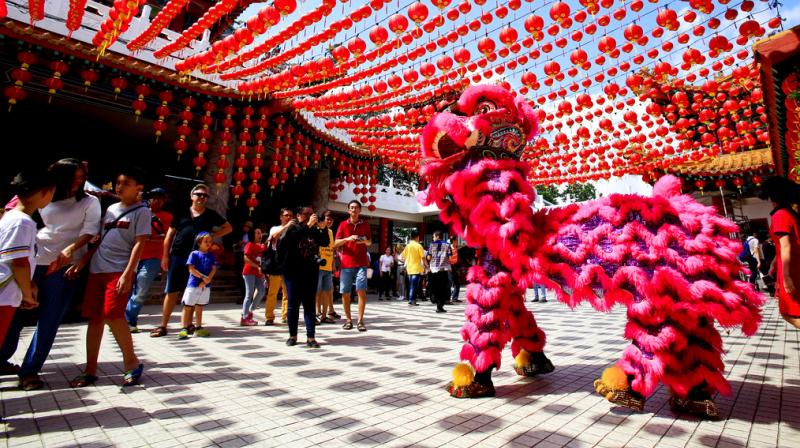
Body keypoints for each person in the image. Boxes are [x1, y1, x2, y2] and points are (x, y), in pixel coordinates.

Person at [0, 159, 99, 390]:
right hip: (31, 261)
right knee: (15, 313)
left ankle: (30, 369)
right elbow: (13, 213)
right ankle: (3, 356)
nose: (78, 183)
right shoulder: (39, 196)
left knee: (49, 318)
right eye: (73, 178)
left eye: (81, 178)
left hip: (62, 265)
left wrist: (71, 250)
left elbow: (90, 231)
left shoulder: (88, 201)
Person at [69, 167, 151, 388]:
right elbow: (101, 239)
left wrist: (128, 273)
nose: (120, 186)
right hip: (97, 269)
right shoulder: (112, 209)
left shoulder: (142, 211)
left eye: (126, 182)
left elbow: (139, 243)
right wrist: (84, 260)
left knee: (113, 315)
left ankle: (131, 363)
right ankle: (90, 369)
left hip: (119, 271)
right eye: (119, 182)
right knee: (94, 318)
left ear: (138, 188)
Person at [150, 184, 231, 337]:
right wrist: (165, 255)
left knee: (192, 291)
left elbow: (228, 227)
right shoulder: (181, 213)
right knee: (171, 290)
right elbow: (169, 236)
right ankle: (163, 325)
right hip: (178, 255)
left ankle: (187, 324)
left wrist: (213, 236)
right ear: (191, 196)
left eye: (205, 196)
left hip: (197, 259)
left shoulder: (211, 214)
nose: (202, 198)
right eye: (199, 194)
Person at [0, 167, 53, 353]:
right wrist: (27, 293)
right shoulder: (22, 222)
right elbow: (19, 262)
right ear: (45, 192)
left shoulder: (12, 217)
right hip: (4, 294)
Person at [278, 206, 329, 347]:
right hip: (292, 272)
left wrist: (323, 227)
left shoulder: (313, 229)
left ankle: (311, 337)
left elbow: (325, 242)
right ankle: (292, 335)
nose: (309, 216)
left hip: (310, 271)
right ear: (299, 215)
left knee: (309, 304)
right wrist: (308, 225)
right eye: (306, 214)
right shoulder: (293, 227)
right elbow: (291, 240)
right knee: (293, 305)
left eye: (311, 214)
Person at [125, 188, 172, 332]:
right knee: (126, 287)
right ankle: (122, 319)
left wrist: (151, 238)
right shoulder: (139, 212)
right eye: (154, 197)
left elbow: (168, 237)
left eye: (160, 198)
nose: (156, 201)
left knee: (141, 289)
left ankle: (128, 320)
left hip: (153, 257)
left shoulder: (168, 217)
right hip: (132, 254)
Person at [760, 177, 800, 329]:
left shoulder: (780, 215)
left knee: (789, 311)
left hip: (791, 268)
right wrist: (774, 262)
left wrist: (787, 276)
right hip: (792, 264)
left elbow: (786, 246)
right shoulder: (789, 213)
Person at [335, 200, 372, 331]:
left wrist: (363, 240)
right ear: (348, 211)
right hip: (346, 264)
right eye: (351, 208)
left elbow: (369, 242)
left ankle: (360, 321)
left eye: (356, 208)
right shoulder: (342, 225)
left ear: (360, 210)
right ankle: (348, 320)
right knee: (345, 292)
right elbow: (335, 243)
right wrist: (347, 239)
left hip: (361, 263)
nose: (354, 210)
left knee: (361, 291)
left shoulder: (365, 225)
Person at [178, 232, 217, 339]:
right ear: (199, 242)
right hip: (193, 285)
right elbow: (191, 269)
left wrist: (207, 280)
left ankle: (198, 327)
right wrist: (203, 277)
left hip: (205, 286)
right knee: (188, 306)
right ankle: (184, 328)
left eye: (210, 241)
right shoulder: (194, 254)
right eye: (206, 241)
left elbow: (214, 269)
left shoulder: (211, 255)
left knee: (199, 306)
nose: (208, 243)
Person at [263, 208, 293, 325]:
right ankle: (269, 317)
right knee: (272, 292)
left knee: (288, 293)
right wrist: (286, 227)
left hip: (289, 264)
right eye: (286, 215)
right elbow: (274, 236)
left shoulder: (293, 230)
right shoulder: (275, 228)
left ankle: (285, 315)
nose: (289, 217)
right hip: (276, 264)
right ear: (281, 217)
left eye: (290, 215)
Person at [240, 227, 266, 326]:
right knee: (249, 293)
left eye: (260, 233)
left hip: (258, 273)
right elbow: (246, 259)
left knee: (262, 291)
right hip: (249, 272)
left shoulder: (262, 246)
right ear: (252, 235)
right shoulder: (249, 245)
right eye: (257, 233)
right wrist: (257, 266)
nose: (260, 235)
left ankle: (250, 311)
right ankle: (244, 317)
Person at [316, 210, 338, 324]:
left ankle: (324, 316)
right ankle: (316, 314)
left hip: (328, 267)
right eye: (327, 219)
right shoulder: (316, 230)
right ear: (322, 219)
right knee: (317, 292)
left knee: (326, 291)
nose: (328, 221)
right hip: (318, 266)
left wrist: (333, 264)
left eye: (330, 220)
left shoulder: (330, 232)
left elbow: (332, 249)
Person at [400, 229, 426, 307]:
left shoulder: (408, 246)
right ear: (417, 237)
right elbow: (423, 257)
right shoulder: (419, 246)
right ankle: (412, 300)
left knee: (411, 285)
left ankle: (411, 300)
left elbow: (402, 256)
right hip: (416, 268)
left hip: (409, 268)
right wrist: (427, 266)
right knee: (414, 285)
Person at [427, 230, 452, 313]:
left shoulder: (431, 245)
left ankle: (434, 299)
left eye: (433, 237)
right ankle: (439, 306)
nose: (433, 238)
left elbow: (428, 257)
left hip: (434, 270)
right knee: (442, 289)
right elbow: (450, 258)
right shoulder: (447, 245)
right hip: (443, 270)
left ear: (437, 236)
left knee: (434, 287)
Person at [448, 236, 461, 303]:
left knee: (457, 283)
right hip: (449, 267)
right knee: (449, 283)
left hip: (455, 267)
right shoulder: (449, 248)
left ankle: (454, 297)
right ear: (453, 241)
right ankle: (447, 298)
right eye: (456, 240)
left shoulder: (456, 248)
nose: (457, 242)